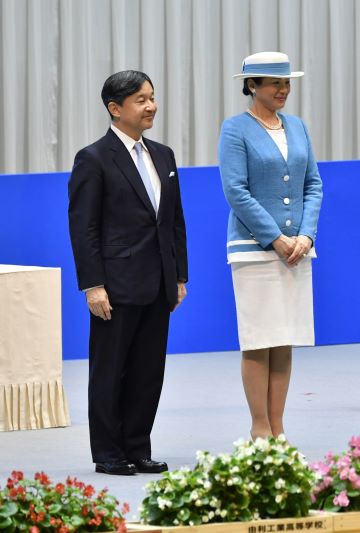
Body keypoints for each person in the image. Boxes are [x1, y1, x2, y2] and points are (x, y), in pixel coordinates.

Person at [68, 71, 188, 475]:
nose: (151, 105)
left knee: (147, 371)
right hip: (115, 286)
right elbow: (84, 227)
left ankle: (138, 447)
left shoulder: (164, 155)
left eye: (152, 97)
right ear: (115, 108)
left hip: (157, 284)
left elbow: (174, 222)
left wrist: (179, 276)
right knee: (110, 371)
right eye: (141, 99)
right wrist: (93, 284)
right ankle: (108, 453)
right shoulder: (94, 158)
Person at [218, 52, 322, 440]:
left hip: (297, 249)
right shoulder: (234, 129)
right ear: (251, 86)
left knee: (284, 339)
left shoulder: (298, 127)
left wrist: (306, 235)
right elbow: (236, 191)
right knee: (259, 339)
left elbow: (313, 184)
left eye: (287, 83)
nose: (283, 89)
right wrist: (274, 238)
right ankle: (259, 427)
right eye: (275, 83)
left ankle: (278, 426)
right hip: (253, 248)